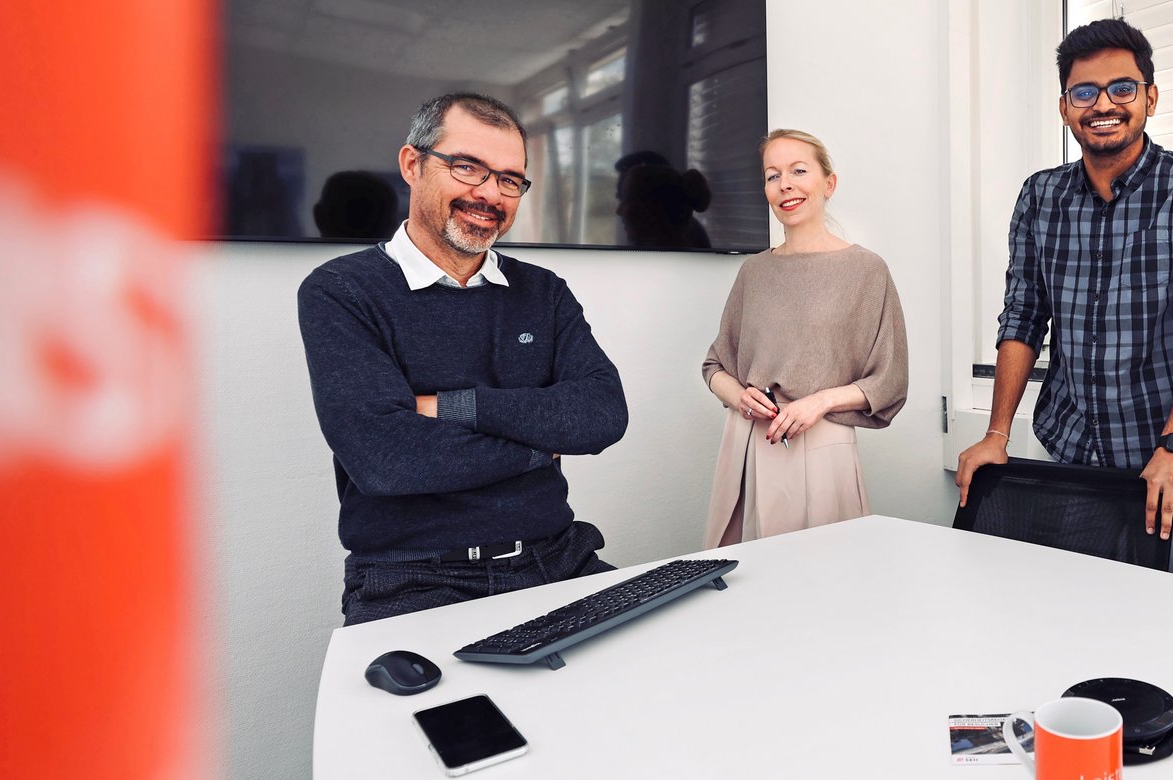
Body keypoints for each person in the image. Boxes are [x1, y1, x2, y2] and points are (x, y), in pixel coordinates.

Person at [298, 93, 628, 625]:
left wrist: (447, 408)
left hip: (561, 558)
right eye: (468, 167)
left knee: (672, 674)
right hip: (416, 578)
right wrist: (541, 445)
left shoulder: (543, 292)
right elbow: (385, 460)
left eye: (509, 179)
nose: (489, 194)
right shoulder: (342, 291)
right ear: (413, 164)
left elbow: (602, 415)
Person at [954, 19, 1173, 581]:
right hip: (1066, 446)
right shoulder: (1041, 196)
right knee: (1063, 602)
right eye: (1084, 92)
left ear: (1150, 98)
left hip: (1169, 453)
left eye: (1122, 88)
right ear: (1065, 108)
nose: (1103, 104)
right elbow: (1022, 318)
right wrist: (997, 434)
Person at [700, 129, 907, 547]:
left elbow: (889, 380)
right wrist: (739, 395)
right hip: (747, 446)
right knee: (746, 588)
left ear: (828, 183)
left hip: (822, 444)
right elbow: (714, 367)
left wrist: (821, 401)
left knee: (825, 582)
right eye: (772, 175)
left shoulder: (866, 271)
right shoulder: (753, 272)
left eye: (798, 170)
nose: (785, 185)